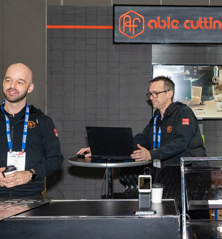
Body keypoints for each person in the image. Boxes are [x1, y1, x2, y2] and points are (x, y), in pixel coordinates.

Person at [78, 75, 206, 197]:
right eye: (150, 94)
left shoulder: (184, 113)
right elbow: (139, 140)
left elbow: (180, 142)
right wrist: (101, 149)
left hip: (189, 176)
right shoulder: (156, 119)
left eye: (156, 93)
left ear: (169, 93)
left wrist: (151, 154)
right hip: (166, 175)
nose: (152, 97)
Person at [0, 63, 63, 197]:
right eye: (8, 80)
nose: (12, 86)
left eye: (20, 82)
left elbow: (55, 159)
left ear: (30, 88)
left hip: (31, 198)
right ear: (3, 83)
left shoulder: (43, 122)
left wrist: (30, 173)